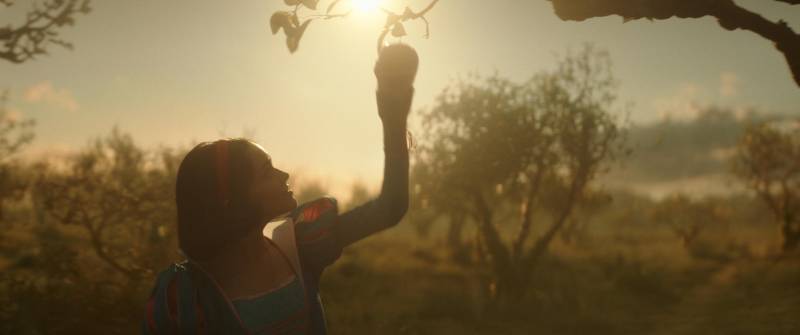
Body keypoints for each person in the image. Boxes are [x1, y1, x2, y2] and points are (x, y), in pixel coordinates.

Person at [142, 44, 418, 335]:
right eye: (266, 171)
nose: (283, 174)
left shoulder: (300, 243)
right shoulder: (182, 300)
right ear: (231, 199)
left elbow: (391, 207)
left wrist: (393, 113)